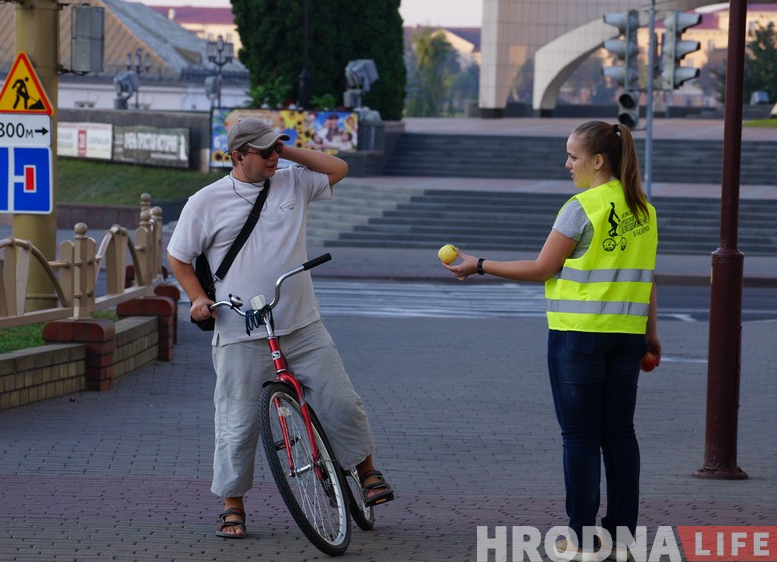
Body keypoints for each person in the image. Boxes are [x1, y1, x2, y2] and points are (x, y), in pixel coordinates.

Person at [167, 118, 395, 540]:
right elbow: (179, 256)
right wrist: (198, 298)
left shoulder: (293, 182)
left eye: (277, 149)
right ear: (237, 157)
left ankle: (367, 473)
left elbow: (337, 168)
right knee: (236, 422)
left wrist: (281, 151)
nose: (273, 156)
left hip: (301, 322)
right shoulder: (206, 201)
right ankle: (232, 505)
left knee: (341, 401)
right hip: (238, 330)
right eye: (263, 151)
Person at [443, 121, 660, 560]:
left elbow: (543, 269)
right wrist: (651, 337)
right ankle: (620, 535)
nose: (567, 164)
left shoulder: (581, 207)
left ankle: (580, 537)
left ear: (598, 161)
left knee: (579, 437)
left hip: (579, 338)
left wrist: (479, 264)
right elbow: (648, 281)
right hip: (626, 339)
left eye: (573, 157)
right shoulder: (644, 210)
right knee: (619, 435)